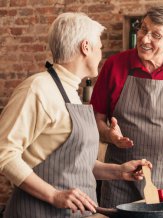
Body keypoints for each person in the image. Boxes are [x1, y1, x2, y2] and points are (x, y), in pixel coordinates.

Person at [0, 12, 152, 218]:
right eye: (99, 47)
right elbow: (4, 154)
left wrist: (118, 171)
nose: (101, 53)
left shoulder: (71, 90)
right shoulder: (38, 88)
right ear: (86, 47)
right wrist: (54, 195)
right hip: (37, 212)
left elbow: (74, 164)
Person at [90, 5, 163, 207]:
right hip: (121, 178)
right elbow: (97, 120)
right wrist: (109, 135)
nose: (145, 39)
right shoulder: (115, 66)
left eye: (155, 35)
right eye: (143, 29)